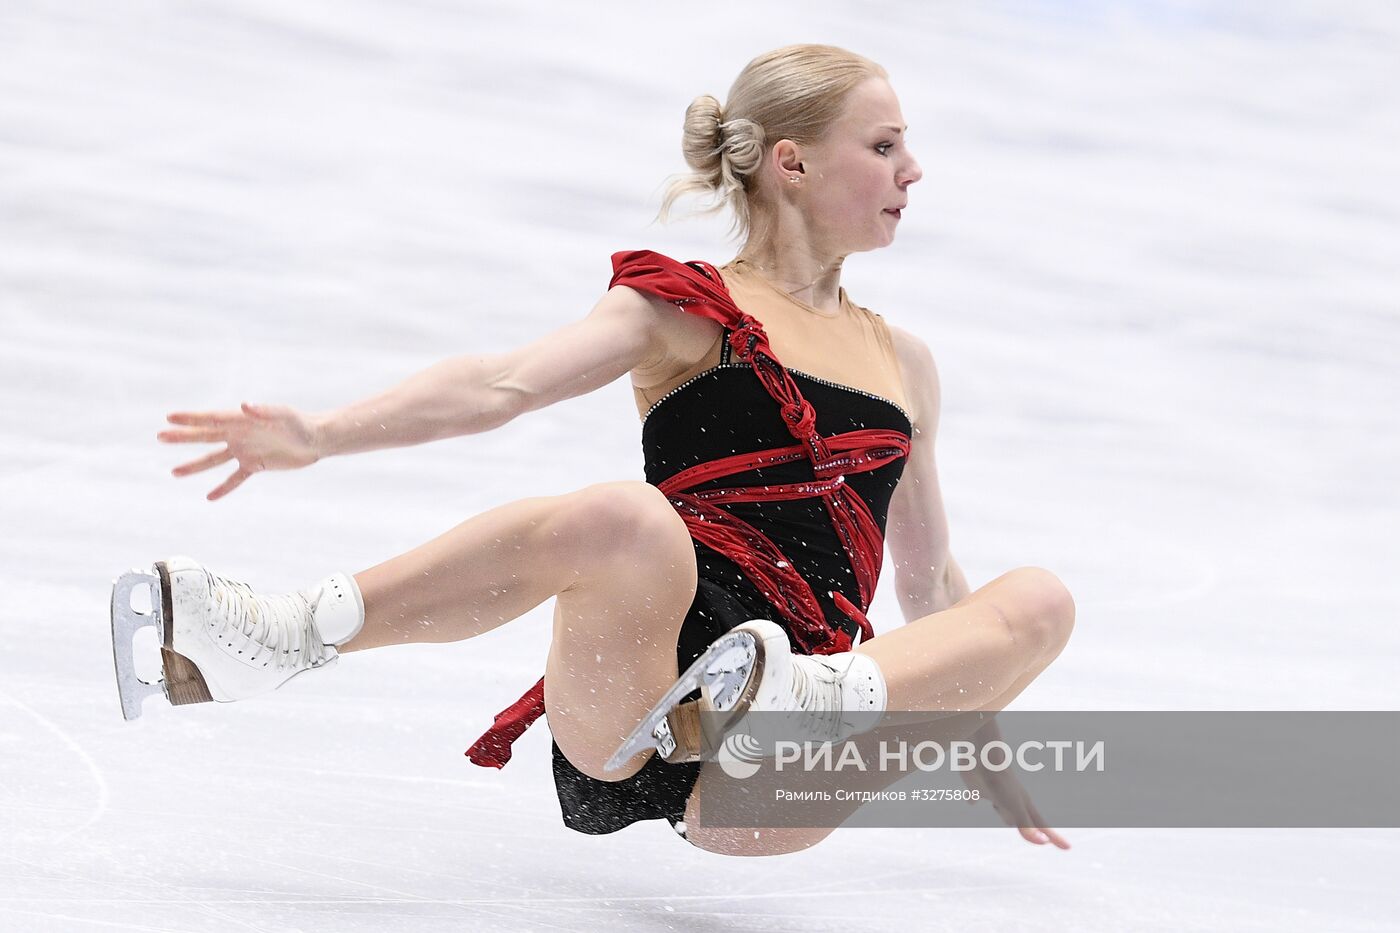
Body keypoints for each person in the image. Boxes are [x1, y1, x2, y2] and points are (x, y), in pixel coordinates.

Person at [126, 44, 1074, 856]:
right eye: (884, 146)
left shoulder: (905, 364)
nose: (914, 170)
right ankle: (287, 630)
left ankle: (801, 694)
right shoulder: (689, 307)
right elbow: (505, 383)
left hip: (776, 769)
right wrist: (322, 434)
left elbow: (934, 589)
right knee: (626, 518)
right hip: (636, 701)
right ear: (791, 162)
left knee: (1039, 597)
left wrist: (973, 729)